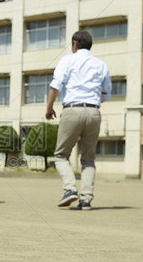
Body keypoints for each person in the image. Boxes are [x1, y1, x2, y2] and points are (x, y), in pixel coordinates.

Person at [45, 30, 112, 210]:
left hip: (72, 110)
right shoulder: (101, 64)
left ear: (74, 44)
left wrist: (49, 107)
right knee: (88, 159)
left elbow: (55, 85)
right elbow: (106, 94)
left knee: (60, 155)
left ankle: (70, 189)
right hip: (93, 111)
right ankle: (86, 199)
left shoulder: (68, 60)